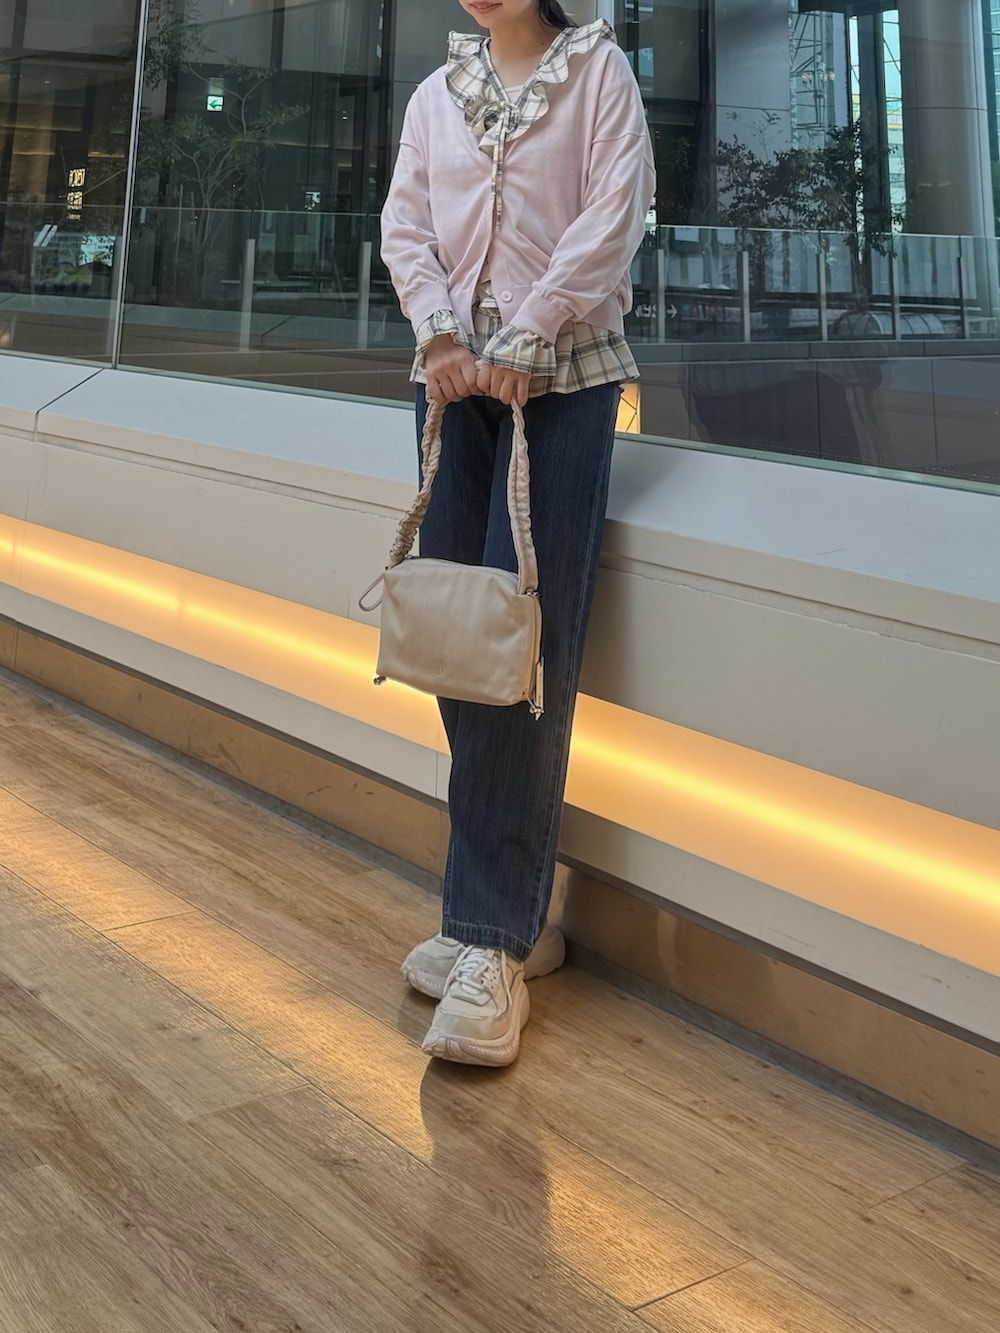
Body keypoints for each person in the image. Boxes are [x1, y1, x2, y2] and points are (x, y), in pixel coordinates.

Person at [380, 0, 655, 1067]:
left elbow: (613, 214)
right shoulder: (433, 94)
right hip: (452, 383)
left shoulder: (598, 74)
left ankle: (491, 934)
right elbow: (406, 223)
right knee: (462, 642)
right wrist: (440, 333)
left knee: (527, 650)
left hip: (564, 383)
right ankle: (498, 915)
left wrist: (529, 329)